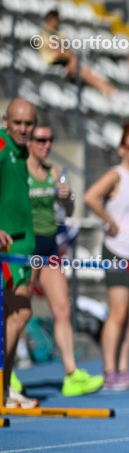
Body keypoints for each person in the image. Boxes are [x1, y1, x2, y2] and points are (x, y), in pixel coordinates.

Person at [26, 123, 104, 395]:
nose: (46, 145)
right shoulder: (18, 171)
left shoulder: (53, 172)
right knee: (19, 312)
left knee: (63, 310)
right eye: (40, 140)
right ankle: (7, 373)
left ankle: (71, 374)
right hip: (25, 247)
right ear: (28, 140)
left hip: (49, 247)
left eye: (50, 139)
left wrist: (67, 196)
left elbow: (67, 211)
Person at [83, 121, 129, 390]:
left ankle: (124, 369)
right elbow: (90, 197)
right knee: (118, 313)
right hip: (118, 251)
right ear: (122, 149)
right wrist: (109, 220)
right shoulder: (116, 175)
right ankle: (109, 370)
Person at [1, 99, 40, 408]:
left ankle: (5, 386)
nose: (23, 129)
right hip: (8, 249)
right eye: (18, 123)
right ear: (6, 122)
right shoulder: (2, 146)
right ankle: (3, 386)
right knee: (17, 315)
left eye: (28, 123)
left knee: (18, 315)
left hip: (25, 247)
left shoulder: (24, 152)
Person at [38, 9, 117, 97]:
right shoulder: (44, 35)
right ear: (49, 19)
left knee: (87, 71)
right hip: (54, 63)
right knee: (82, 70)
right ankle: (109, 92)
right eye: (55, 19)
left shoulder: (59, 34)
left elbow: (66, 49)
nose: (57, 22)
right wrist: (73, 57)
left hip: (67, 61)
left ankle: (109, 91)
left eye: (57, 19)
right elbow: (58, 51)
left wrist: (72, 57)